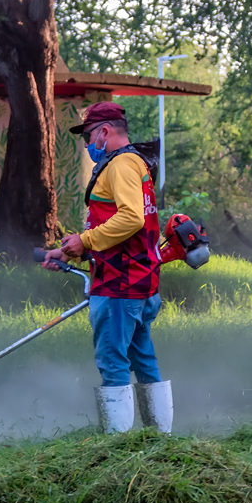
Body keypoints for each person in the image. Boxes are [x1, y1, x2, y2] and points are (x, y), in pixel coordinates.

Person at [42, 101, 171, 434]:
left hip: (119, 285)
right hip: (138, 281)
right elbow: (128, 230)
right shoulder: (134, 163)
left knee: (113, 364)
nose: (87, 146)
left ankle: (117, 447)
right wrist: (72, 252)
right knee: (143, 362)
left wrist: (84, 242)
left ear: (104, 132)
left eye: (87, 137)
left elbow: (131, 218)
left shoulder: (120, 165)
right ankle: (160, 440)